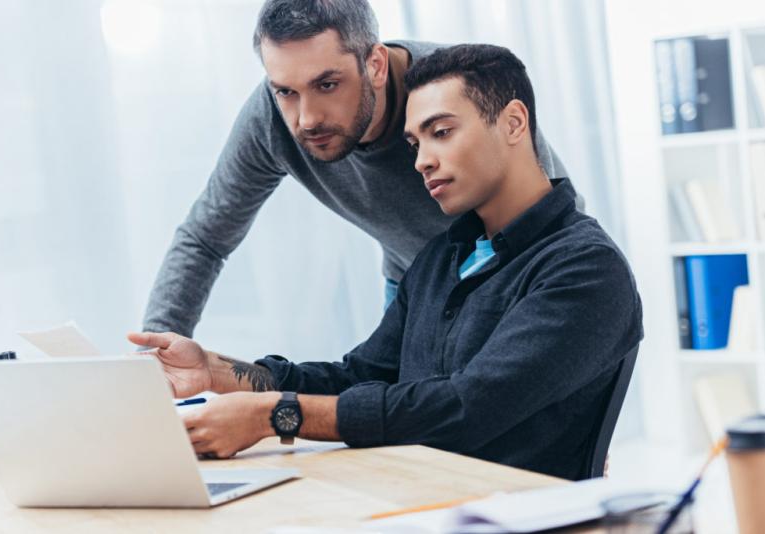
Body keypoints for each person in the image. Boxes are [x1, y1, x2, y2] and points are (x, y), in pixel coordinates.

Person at [129, 43, 643, 481]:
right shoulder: (442, 259)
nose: (420, 160)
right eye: (415, 142)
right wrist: (219, 373)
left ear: (513, 123)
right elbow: (361, 376)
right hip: (410, 500)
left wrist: (277, 415)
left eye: (441, 133)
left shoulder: (584, 270)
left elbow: (463, 409)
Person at [141, 0, 574, 337]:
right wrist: (156, 359)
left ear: (376, 65)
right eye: (286, 90)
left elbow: (552, 215)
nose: (306, 118)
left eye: (327, 85)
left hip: (517, 273)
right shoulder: (270, 119)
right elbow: (204, 239)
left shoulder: (459, 89)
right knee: (400, 438)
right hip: (413, 282)